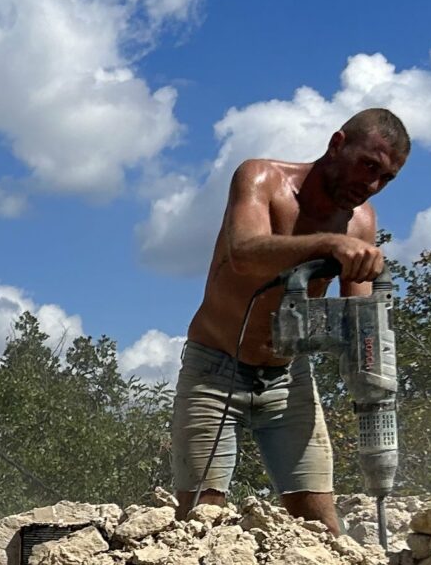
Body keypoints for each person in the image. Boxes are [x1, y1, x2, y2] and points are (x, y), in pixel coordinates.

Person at [171, 106, 408, 535]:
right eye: (367, 166)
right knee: (200, 523)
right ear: (338, 144)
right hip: (215, 371)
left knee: (321, 526)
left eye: (386, 179)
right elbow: (244, 252)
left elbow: (362, 325)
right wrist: (330, 245)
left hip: (288, 378)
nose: (371, 185)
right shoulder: (261, 178)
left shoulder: (362, 223)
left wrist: (374, 384)